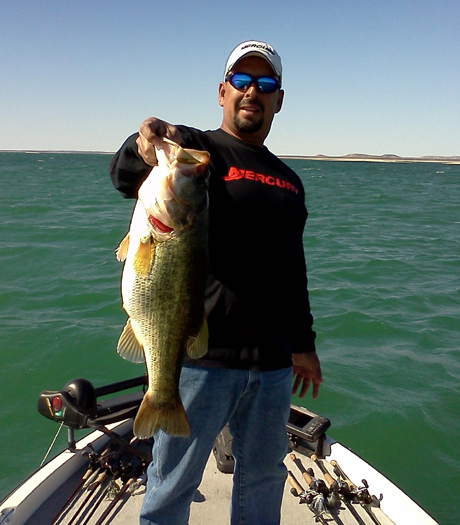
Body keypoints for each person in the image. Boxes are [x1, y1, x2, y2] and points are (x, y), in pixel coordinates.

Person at [109, 40, 323, 525]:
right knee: (173, 481)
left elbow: (295, 269)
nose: (253, 91)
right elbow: (127, 173)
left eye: (265, 84)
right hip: (202, 360)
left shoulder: (289, 181)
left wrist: (303, 344)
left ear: (278, 99)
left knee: (265, 478)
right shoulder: (198, 153)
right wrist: (145, 141)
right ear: (223, 92)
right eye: (242, 82)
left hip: (271, 366)